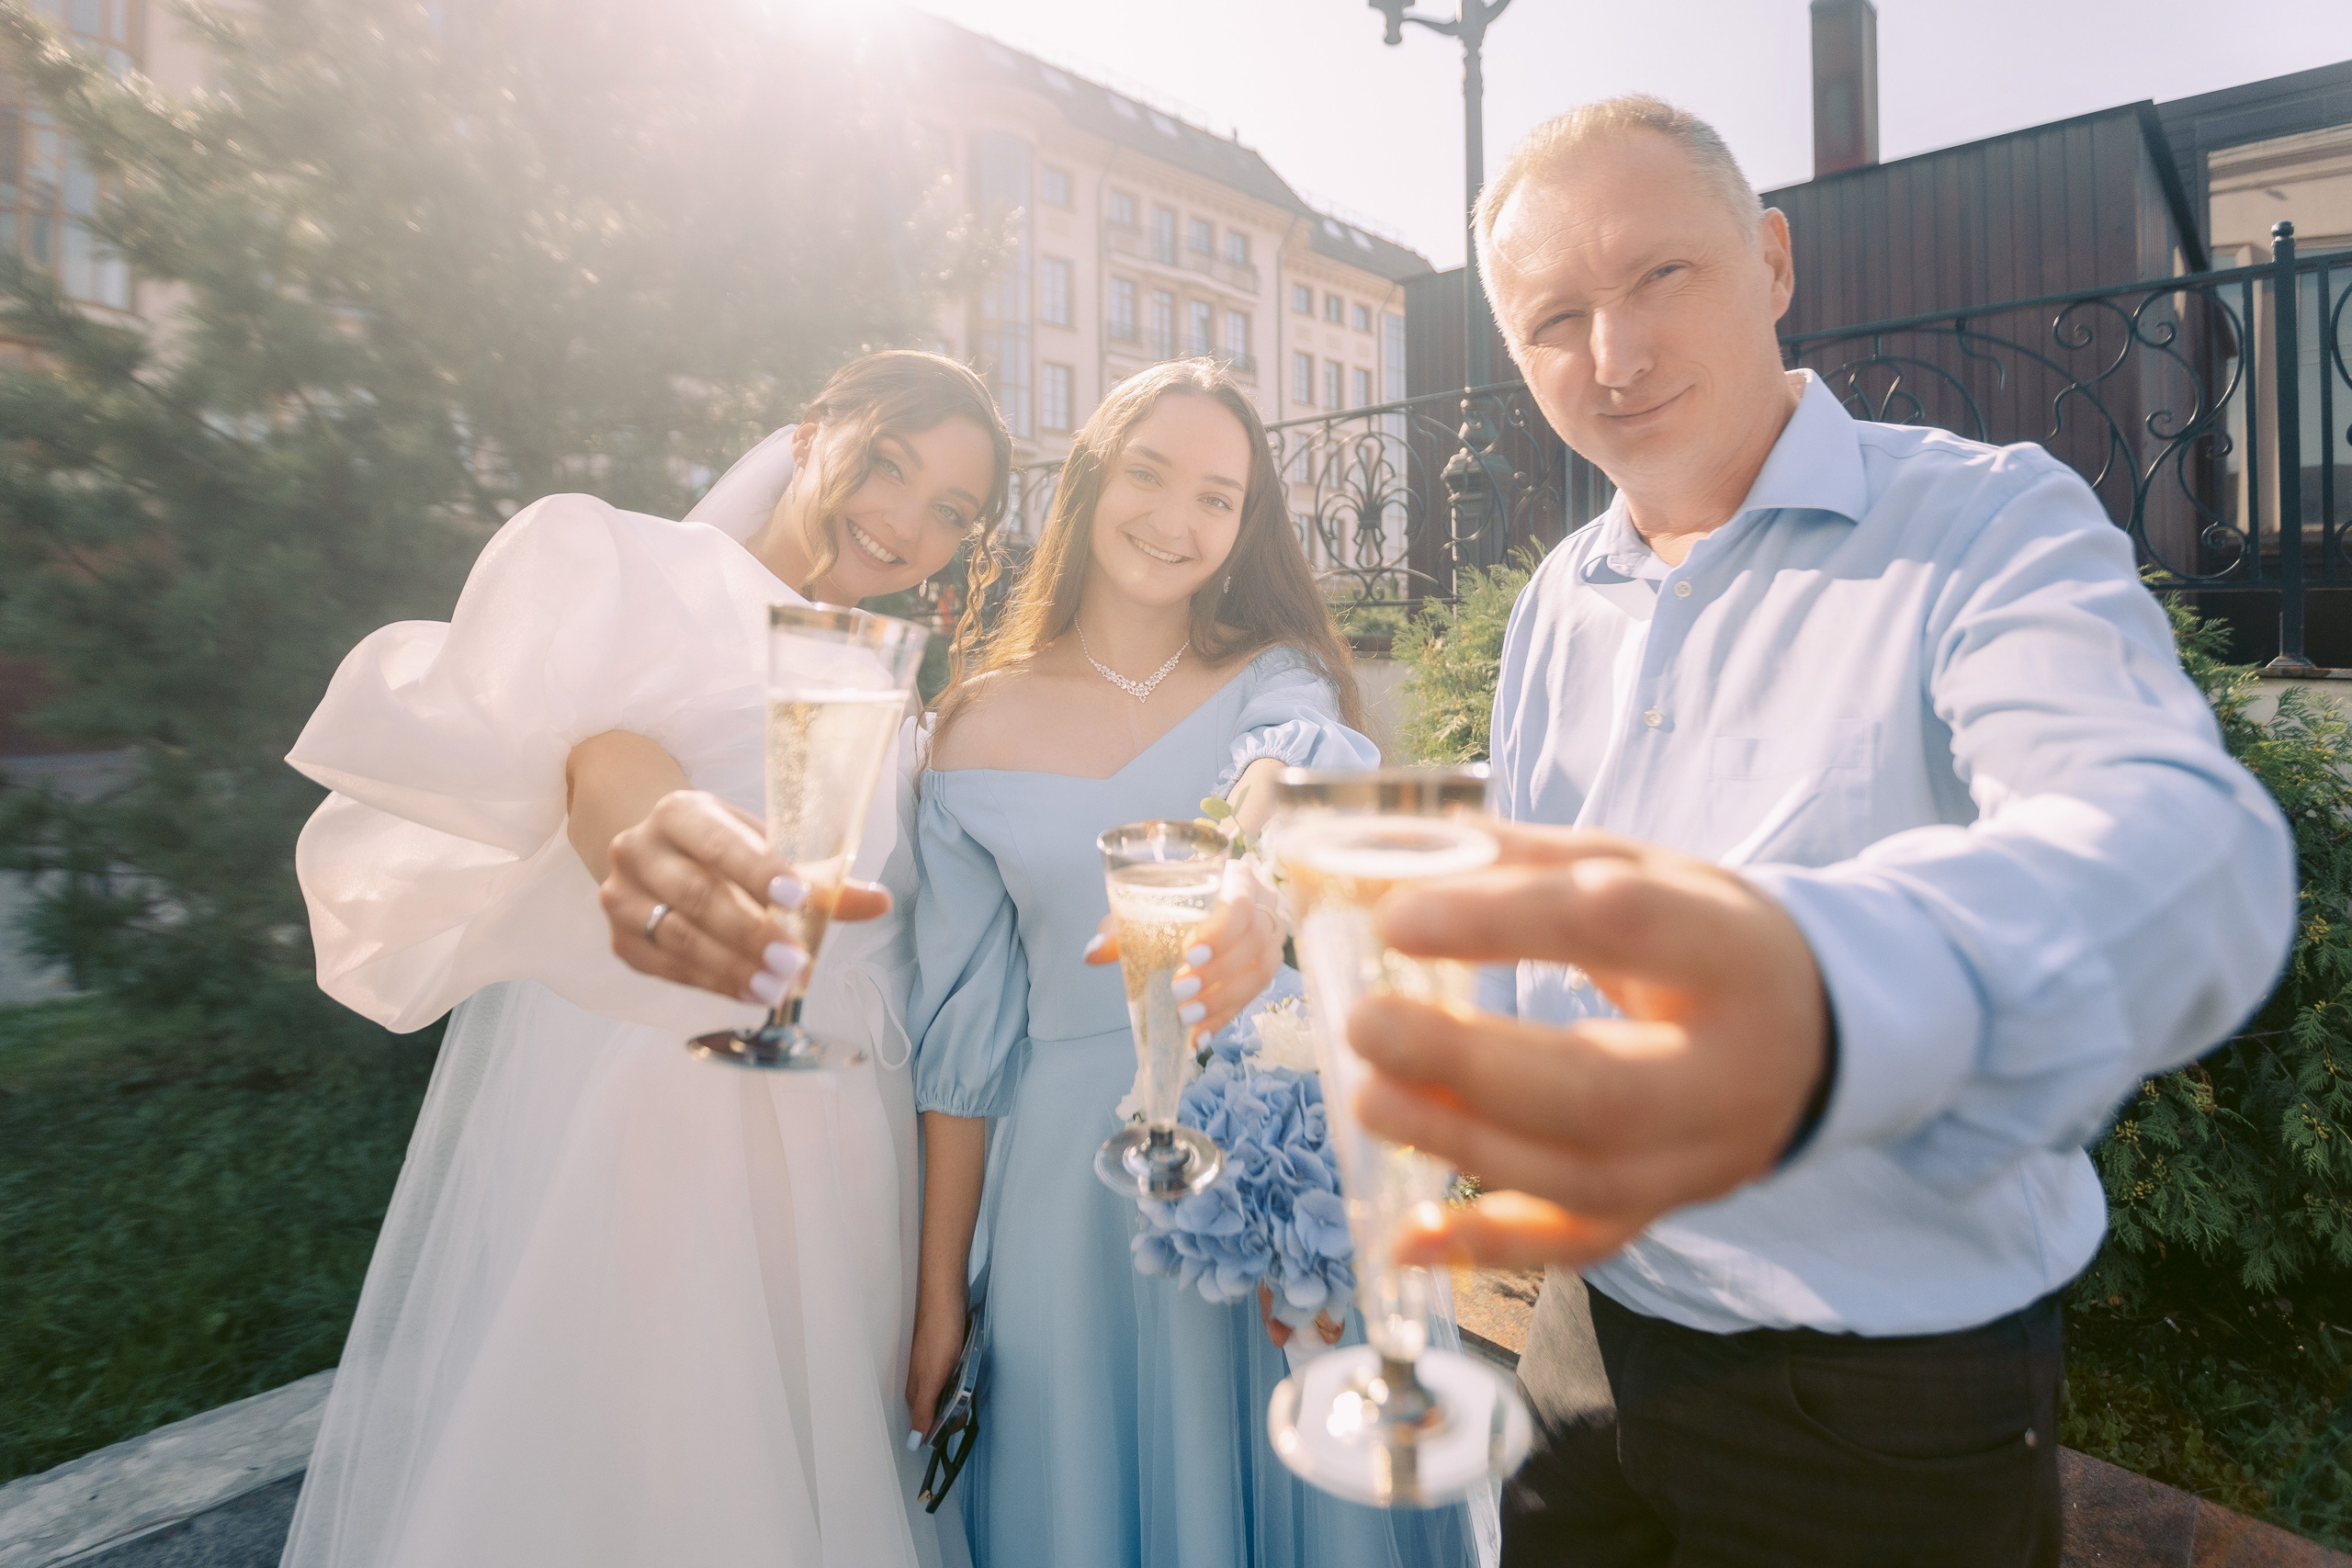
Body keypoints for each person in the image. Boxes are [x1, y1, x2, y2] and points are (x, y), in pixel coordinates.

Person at [1341, 97, 2299, 1566]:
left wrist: (1831, 998)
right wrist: (1299, 937)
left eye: (1662, 274)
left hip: (1879, 1396)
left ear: (1773, 261)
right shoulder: (1556, 604)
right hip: (1583, 1339)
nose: (1616, 355)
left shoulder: (1987, 526)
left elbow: (2185, 859)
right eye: (1554, 318)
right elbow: (1517, 886)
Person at [281, 350, 1012, 1568]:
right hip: (687, 1145)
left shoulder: (868, 674)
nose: (906, 523)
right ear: (808, 431)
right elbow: (602, 761)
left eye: (952, 511)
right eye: (889, 463)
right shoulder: (655, 582)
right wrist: (645, 833)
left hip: (850, 1161)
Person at [905, 359, 1491, 1568]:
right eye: (1151, 474)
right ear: (1090, 481)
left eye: (1219, 497)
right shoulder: (971, 725)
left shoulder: (1272, 675)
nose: (1177, 521)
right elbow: (960, 1057)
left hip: (1273, 1152)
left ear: (1244, 526)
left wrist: (1245, 871)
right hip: (1067, 1195)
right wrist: (937, 1296)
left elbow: (1295, 756)